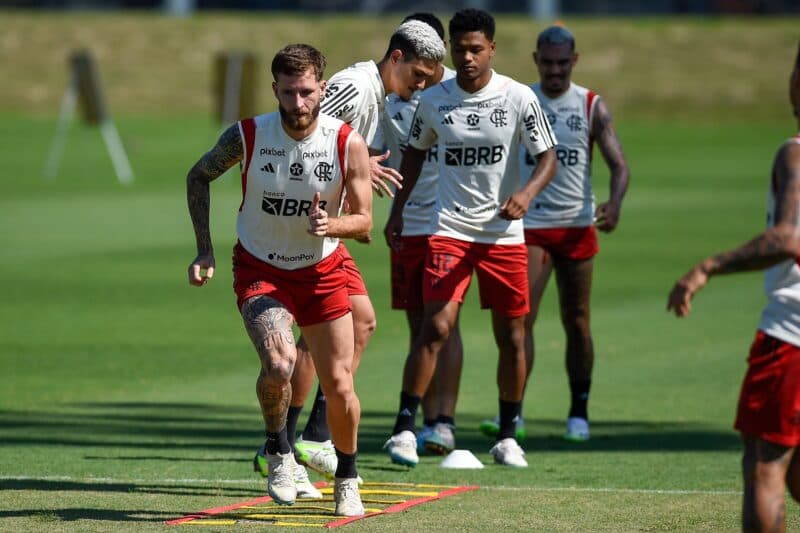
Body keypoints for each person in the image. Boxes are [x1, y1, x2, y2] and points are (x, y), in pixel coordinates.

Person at [254, 19, 447, 480]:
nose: (420, 86)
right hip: (307, 232)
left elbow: (335, 143)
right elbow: (305, 133)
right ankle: (289, 442)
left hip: (325, 230)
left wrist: (360, 166)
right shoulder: (358, 87)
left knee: (358, 323)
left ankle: (301, 439)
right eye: (417, 75)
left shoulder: (373, 93)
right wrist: (351, 166)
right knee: (327, 332)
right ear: (396, 58)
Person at [186, 43, 372, 516]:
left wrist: (333, 225)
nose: (298, 104)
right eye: (288, 93)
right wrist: (204, 247)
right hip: (260, 269)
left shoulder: (346, 140)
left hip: (321, 271)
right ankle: (278, 451)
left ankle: (347, 476)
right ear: (275, 89)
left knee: (339, 385)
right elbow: (198, 175)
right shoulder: (248, 135)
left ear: (322, 89)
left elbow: (365, 221)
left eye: (307, 92)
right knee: (278, 361)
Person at [383, 8, 557, 468]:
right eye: (459, 49)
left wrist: (525, 194)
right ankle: (403, 429)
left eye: (476, 49)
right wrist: (397, 213)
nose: (467, 58)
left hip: (503, 235)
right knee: (435, 327)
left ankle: (507, 435)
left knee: (512, 336)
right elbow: (415, 157)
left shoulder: (518, 97)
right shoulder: (434, 101)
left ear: (492, 49)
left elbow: (547, 158)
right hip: (449, 230)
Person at [667, 42, 800, 533]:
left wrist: (707, 267)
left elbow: (787, 238)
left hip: (792, 335)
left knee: (766, 466)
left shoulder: (794, 152)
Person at [479, 25, 630, 443]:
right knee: (521, 320)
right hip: (531, 227)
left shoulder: (590, 105)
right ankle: (516, 413)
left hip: (577, 225)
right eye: (547, 62)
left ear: (574, 61)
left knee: (577, 320)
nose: (555, 70)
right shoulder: (519, 100)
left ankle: (578, 412)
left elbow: (620, 164)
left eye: (563, 63)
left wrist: (614, 203)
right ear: (536, 60)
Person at [373, 12, 464, 456]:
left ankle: (442, 421)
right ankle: (420, 422)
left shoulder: (457, 96)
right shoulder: (390, 99)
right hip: (407, 222)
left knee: (444, 322)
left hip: (450, 221)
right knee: (418, 325)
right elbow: (375, 154)